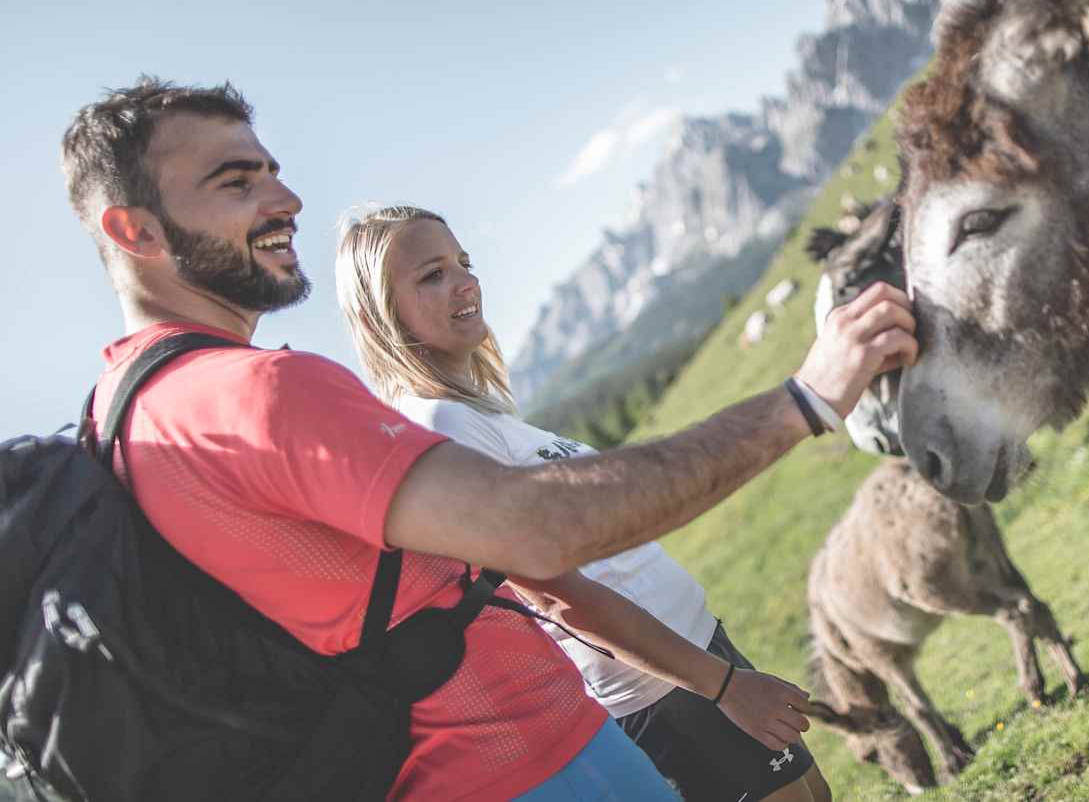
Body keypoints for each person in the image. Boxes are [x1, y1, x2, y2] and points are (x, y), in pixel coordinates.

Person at [63, 76, 917, 801]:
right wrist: (802, 401)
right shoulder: (252, 394)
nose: (284, 200)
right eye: (234, 182)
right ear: (132, 230)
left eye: (273, 174)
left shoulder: (125, 417)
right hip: (527, 762)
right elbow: (539, 538)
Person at [334, 204, 832, 801]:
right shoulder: (440, 422)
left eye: (463, 262)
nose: (465, 282)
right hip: (661, 689)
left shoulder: (478, 412)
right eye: (432, 275)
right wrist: (722, 687)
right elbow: (553, 594)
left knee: (814, 795)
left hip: (692, 652)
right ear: (377, 311)